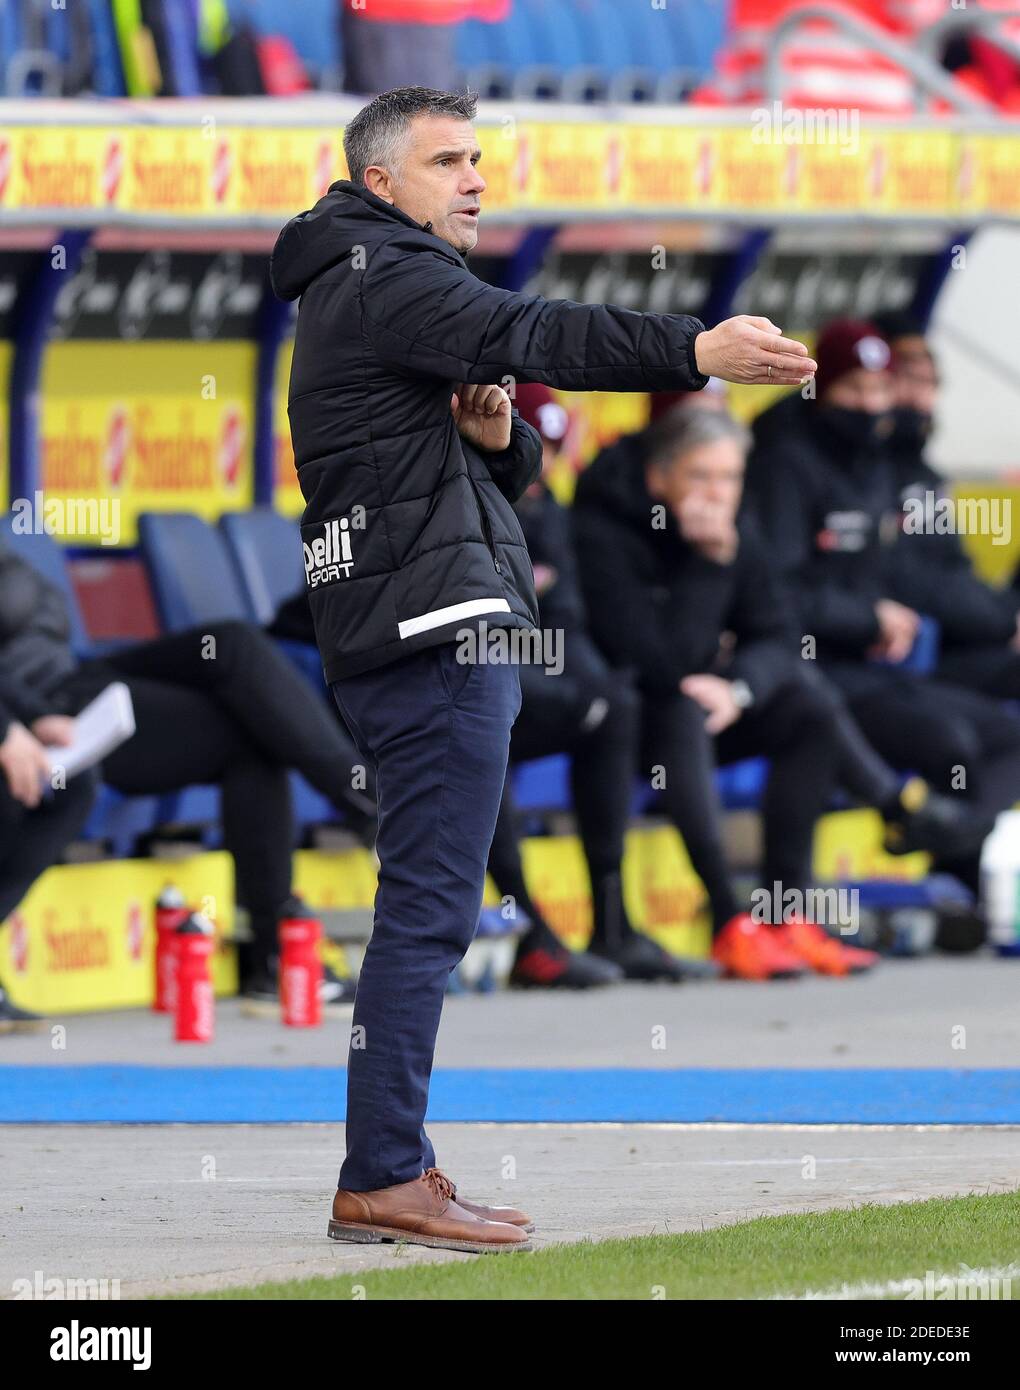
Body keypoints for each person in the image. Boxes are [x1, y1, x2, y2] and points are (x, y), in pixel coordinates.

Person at [270, 84, 817, 1252]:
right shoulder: (390, 274)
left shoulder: (355, 283)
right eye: (448, 161)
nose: (475, 178)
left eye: (478, 157)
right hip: (438, 635)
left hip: (409, 629)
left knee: (424, 907)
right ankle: (380, 1175)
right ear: (380, 184)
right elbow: (541, 331)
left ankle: (394, 1162)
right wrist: (694, 350)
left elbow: (469, 478)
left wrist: (499, 441)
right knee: (426, 914)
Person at [0, 539, 377, 1003]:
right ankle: (368, 808)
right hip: (41, 715)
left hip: (71, 690)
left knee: (230, 645)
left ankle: (363, 807)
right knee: (251, 736)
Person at [745, 318, 1020, 897]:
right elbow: (779, 594)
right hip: (809, 670)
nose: (870, 405)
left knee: (1003, 736)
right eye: (854, 391)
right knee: (949, 742)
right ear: (820, 389)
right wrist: (869, 616)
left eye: (879, 390)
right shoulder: (786, 465)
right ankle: (949, 867)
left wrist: (880, 614)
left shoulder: (875, 468)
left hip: (870, 667)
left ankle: (954, 848)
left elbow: (906, 573)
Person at [489, 383, 720, 987]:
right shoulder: (458, 504)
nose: (535, 483)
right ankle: (530, 935)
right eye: (524, 466)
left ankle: (612, 925)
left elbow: (565, 623)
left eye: (545, 465)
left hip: (524, 684)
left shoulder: (545, 511)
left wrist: (588, 693)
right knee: (474, 729)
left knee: (616, 705)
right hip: (432, 689)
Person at [871, 311, 1020, 700]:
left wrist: (1005, 615)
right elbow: (903, 576)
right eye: (910, 378)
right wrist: (1005, 623)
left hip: (970, 638)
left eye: (931, 382)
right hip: (916, 655)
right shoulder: (866, 474)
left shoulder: (925, 476)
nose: (922, 395)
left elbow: (955, 566)